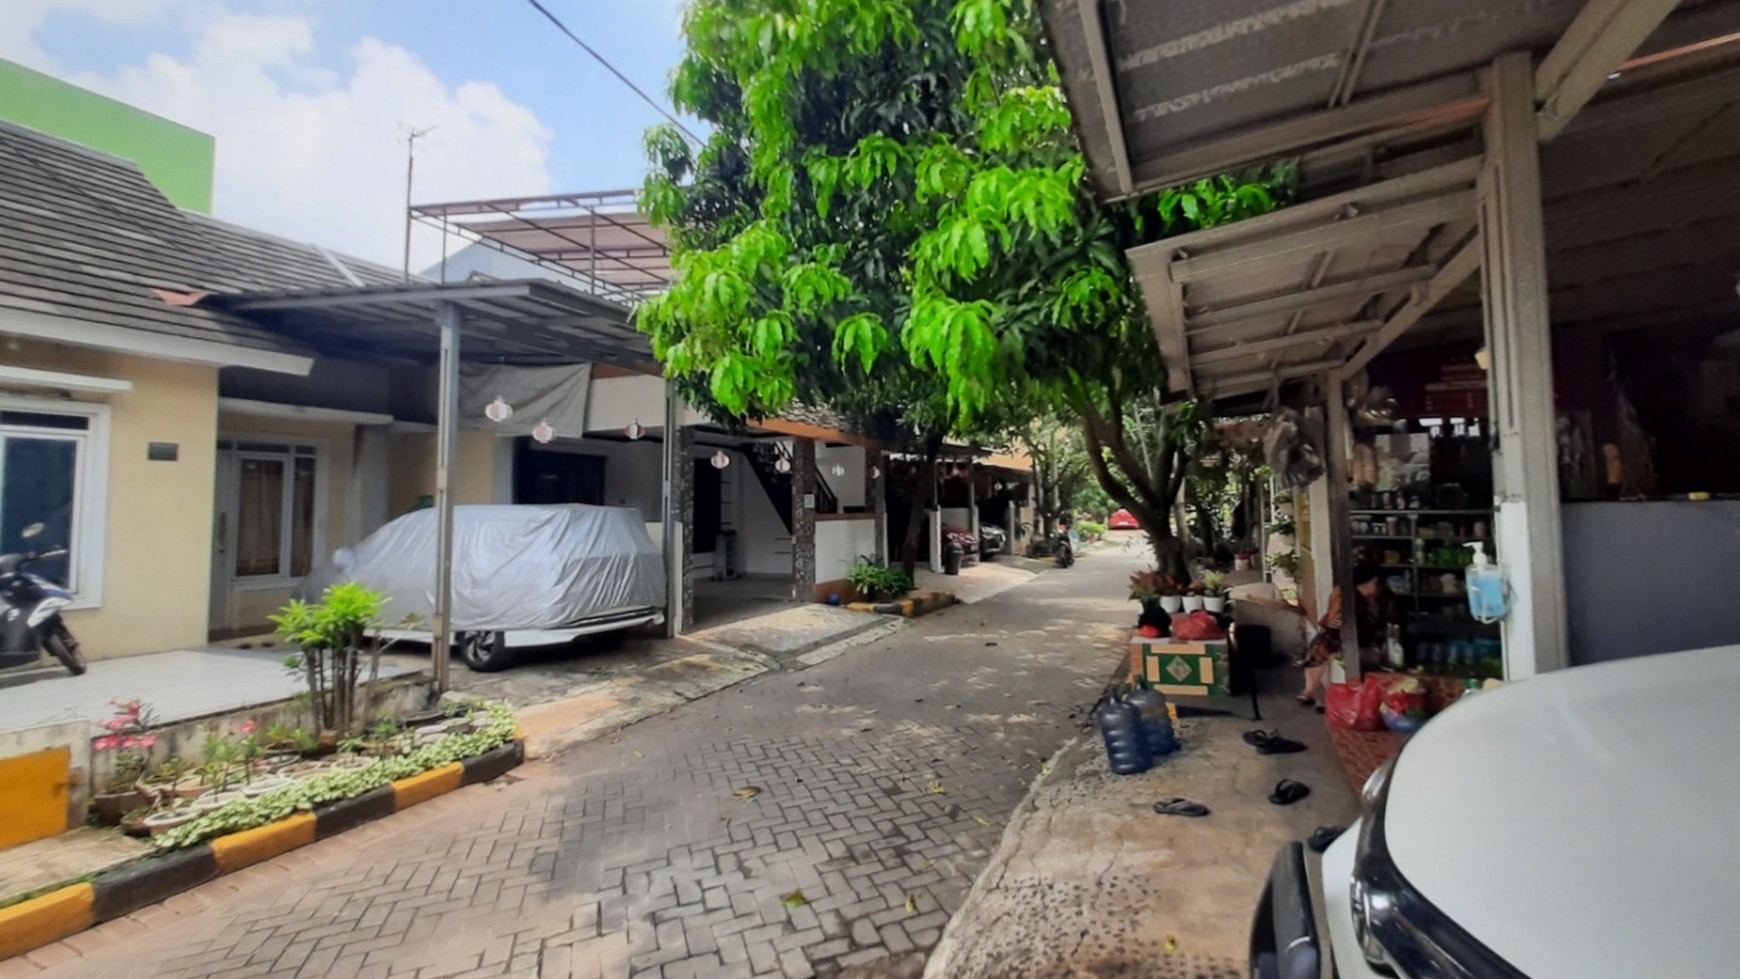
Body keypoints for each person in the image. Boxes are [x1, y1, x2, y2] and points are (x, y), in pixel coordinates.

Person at [1298, 563, 1392, 707]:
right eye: (1376, 583)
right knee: (1320, 648)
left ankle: (1316, 694)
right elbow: (1335, 624)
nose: (1379, 587)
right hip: (1345, 637)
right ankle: (1311, 691)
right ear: (1366, 583)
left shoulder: (1381, 596)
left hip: (1370, 639)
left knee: (1324, 649)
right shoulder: (1345, 597)